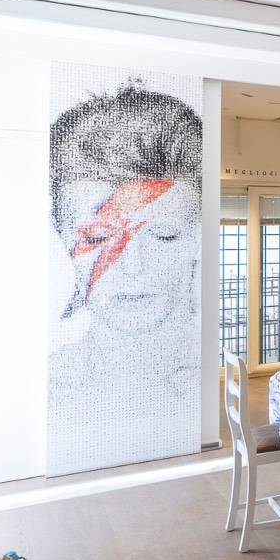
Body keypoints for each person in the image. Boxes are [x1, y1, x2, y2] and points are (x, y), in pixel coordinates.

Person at [48, 83, 203, 425]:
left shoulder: (210, 383)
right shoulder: (52, 393)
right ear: (62, 238)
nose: (133, 267)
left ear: (197, 240)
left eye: (164, 236)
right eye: (98, 238)